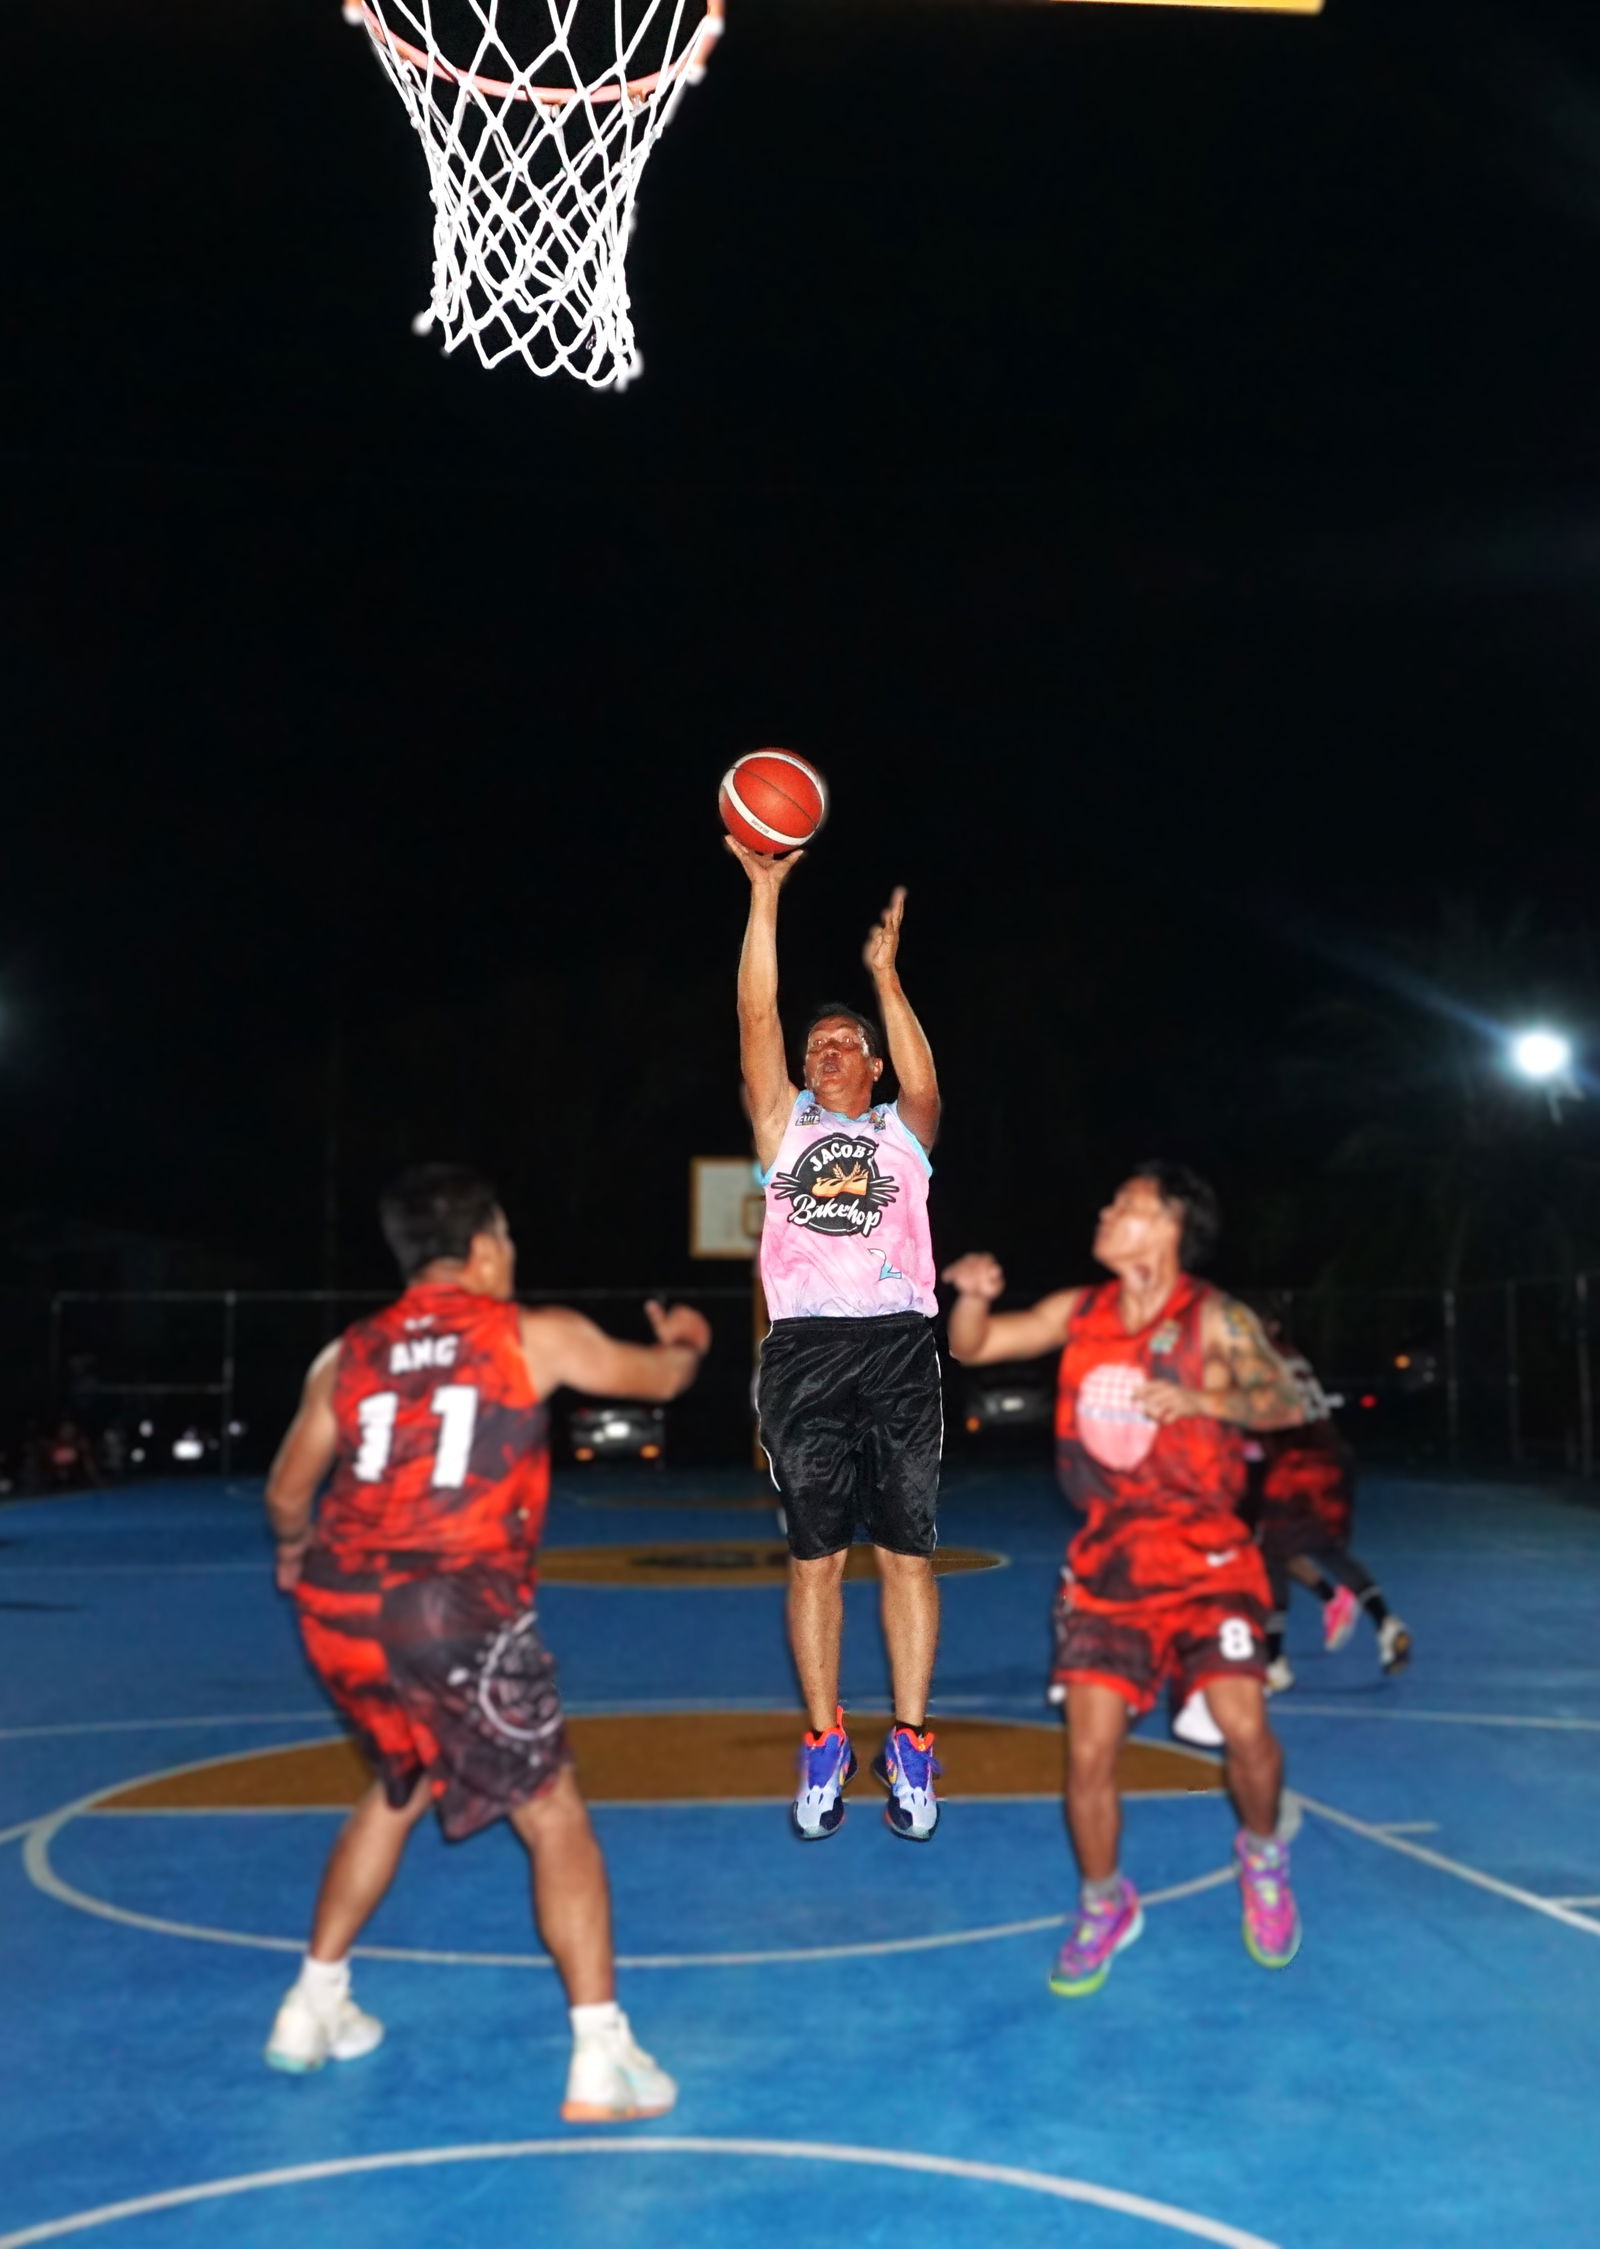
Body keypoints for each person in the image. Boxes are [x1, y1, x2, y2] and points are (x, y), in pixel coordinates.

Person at [262, 1164, 710, 2120]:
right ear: (482, 1250)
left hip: (340, 1610)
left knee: (400, 1783)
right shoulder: (526, 1334)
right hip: (448, 1609)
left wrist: (298, 1556)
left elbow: (286, 1492)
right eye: (506, 1238)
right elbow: (656, 1380)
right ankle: (602, 2055)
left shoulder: (345, 1354)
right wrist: (681, 1344)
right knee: (554, 1815)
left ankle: (312, 2004)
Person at [944, 1164, 1307, 1996]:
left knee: (1242, 1723)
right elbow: (977, 1343)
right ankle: (1105, 1902)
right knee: (1089, 1751)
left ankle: (1261, 1852)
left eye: (1129, 1206)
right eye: (1110, 1202)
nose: (1108, 1212)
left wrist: (1207, 1398)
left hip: (1209, 1556)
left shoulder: (1213, 1316)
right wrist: (970, 1294)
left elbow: (1285, 1399)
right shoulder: (1082, 1311)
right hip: (1110, 1564)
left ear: (1171, 1226)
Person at [728, 838, 944, 1842]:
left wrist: (885, 977)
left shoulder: (906, 1131)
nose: (824, 1050)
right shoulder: (784, 1130)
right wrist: (766, 895)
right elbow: (754, 1017)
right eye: (816, 1044)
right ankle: (823, 1742)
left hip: (899, 1346)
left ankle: (910, 1740)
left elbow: (928, 1078)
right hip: (805, 1352)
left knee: (905, 1552)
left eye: (844, 1040)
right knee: (814, 1557)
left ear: (874, 1061)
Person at [1248, 1316, 1412, 1689]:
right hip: (1334, 1458)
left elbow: (1253, 1418)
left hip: (1295, 1465)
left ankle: (1274, 1662)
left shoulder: (1253, 1361)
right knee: (1328, 1548)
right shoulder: (1292, 1355)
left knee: (1270, 1553)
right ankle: (1386, 1623)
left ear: (1268, 1327)